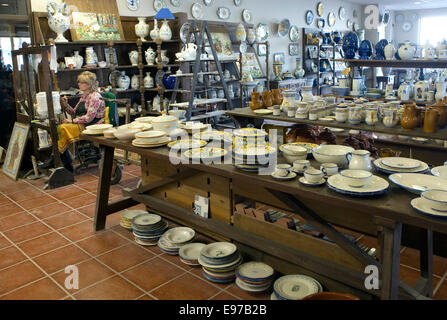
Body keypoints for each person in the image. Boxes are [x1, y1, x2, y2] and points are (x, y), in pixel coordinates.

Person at [39, 71, 105, 173]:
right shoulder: (84, 96)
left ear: (90, 84)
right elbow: (73, 112)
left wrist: (71, 121)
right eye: (79, 82)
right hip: (83, 122)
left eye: (83, 82)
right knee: (58, 128)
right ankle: (65, 163)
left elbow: (89, 118)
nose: (79, 84)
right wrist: (64, 104)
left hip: (92, 125)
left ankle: (61, 161)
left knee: (62, 128)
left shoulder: (95, 96)